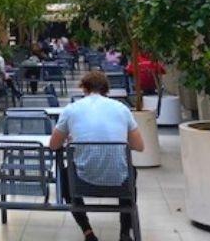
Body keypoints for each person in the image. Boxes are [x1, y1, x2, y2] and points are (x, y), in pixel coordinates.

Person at [49, 70, 144, 241]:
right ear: (106, 90)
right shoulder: (122, 109)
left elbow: (53, 145)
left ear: (83, 88)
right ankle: (124, 233)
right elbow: (139, 145)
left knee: (64, 176)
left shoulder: (71, 110)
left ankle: (88, 232)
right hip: (119, 183)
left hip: (81, 183)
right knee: (131, 173)